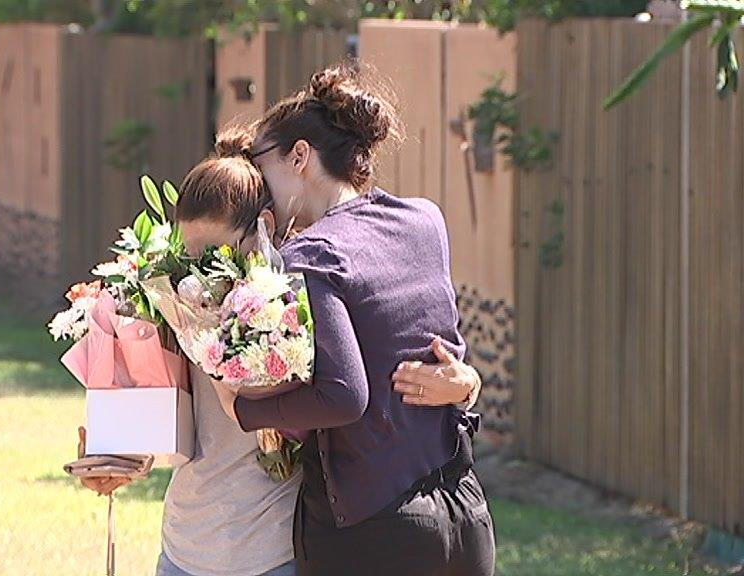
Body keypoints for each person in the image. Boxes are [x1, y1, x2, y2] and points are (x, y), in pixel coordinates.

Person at [79, 130, 484, 576]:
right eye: (191, 255)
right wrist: (117, 454)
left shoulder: (312, 287)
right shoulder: (172, 298)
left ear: (264, 228)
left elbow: (381, 381)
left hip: (281, 555)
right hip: (185, 550)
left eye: (218, 254)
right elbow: (158, 416)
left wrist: (466, 384)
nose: (202, 272)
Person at [208, 63, 497, 576]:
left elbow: (344, 395)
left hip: (375, 532)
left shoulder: (312, 254)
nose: (258, 184)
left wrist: (242, 409)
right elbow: (436, 342)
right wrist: (466, 381)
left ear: (299, 156)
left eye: (259, 163)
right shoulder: (424, 218)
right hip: (464, 512)